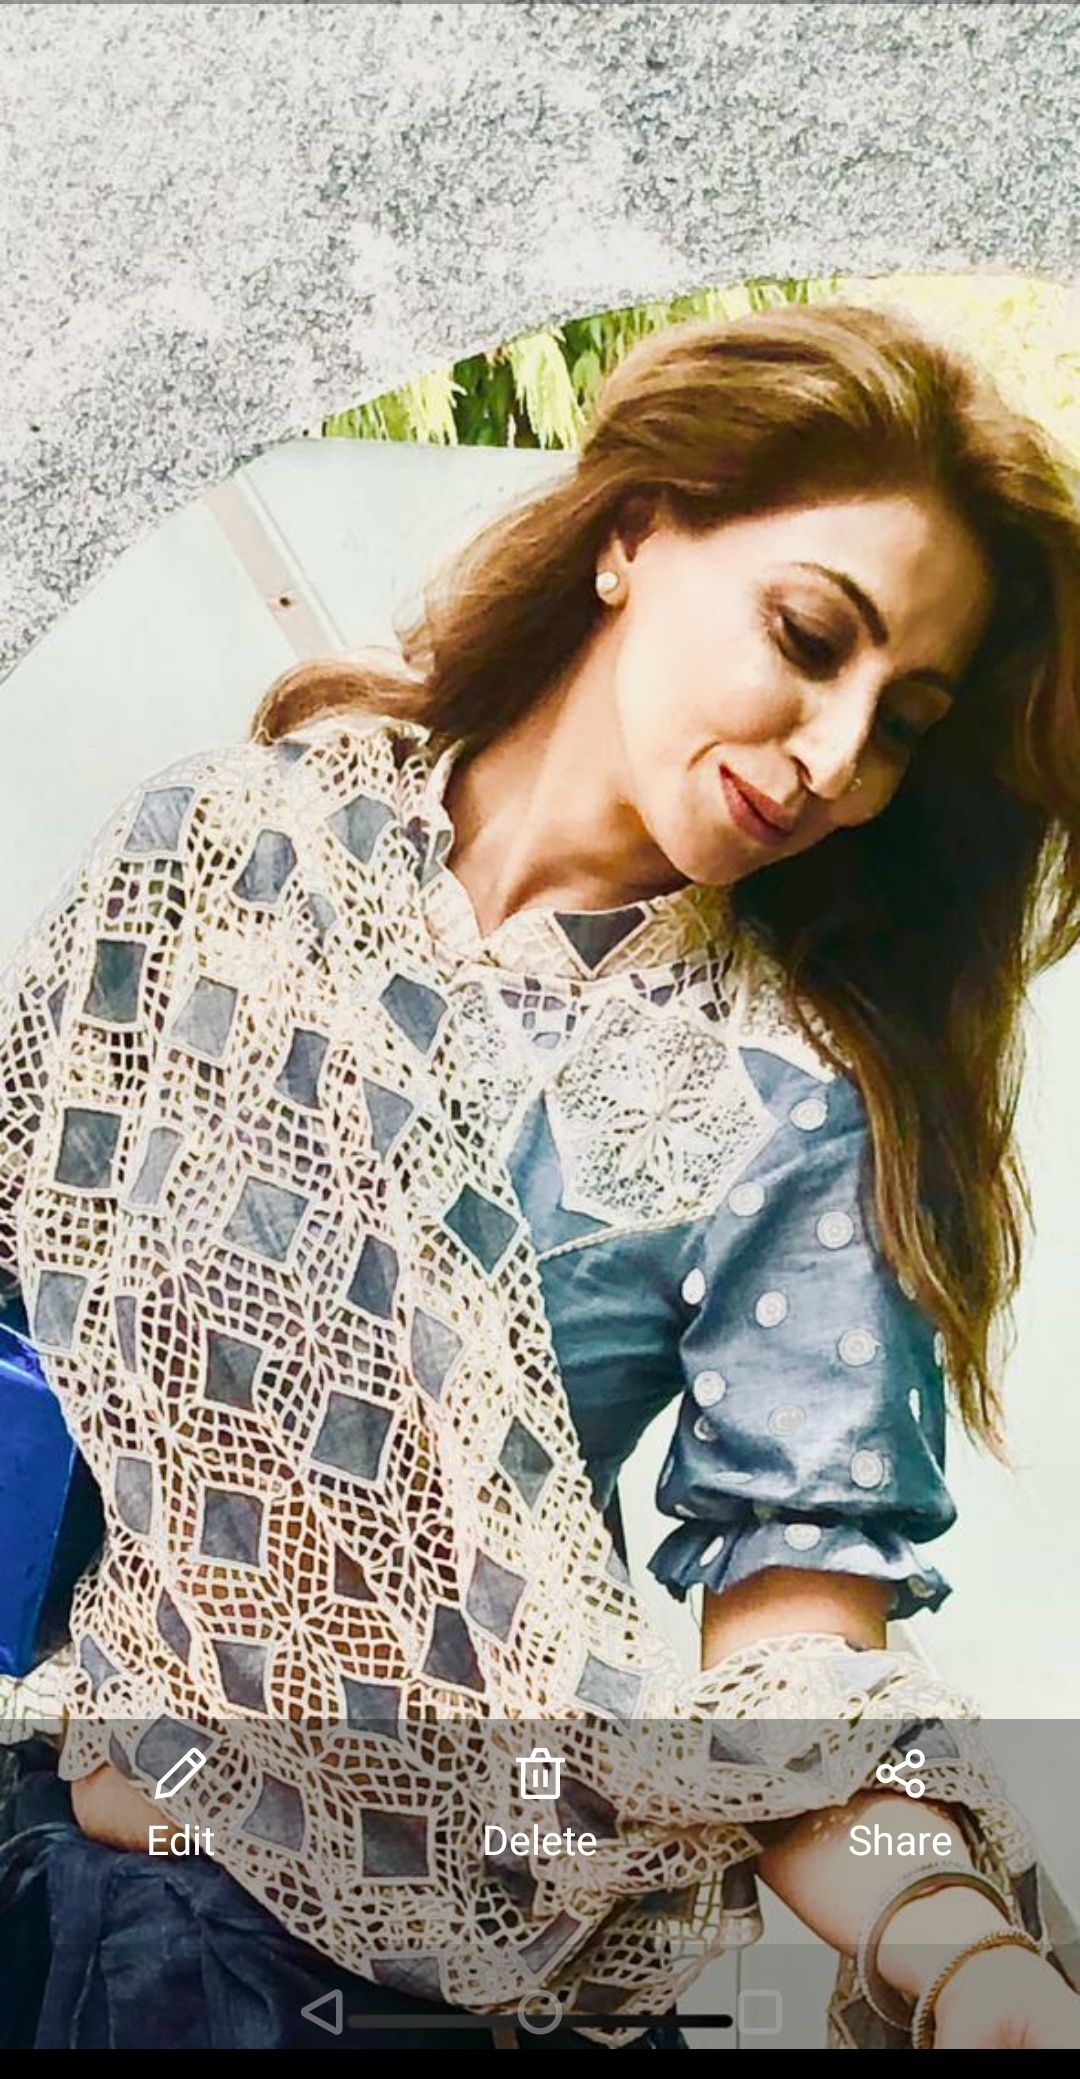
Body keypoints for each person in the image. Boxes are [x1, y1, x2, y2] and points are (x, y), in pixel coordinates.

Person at [2, 302, 1080, 2051]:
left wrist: (957, 1949)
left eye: (905, 723)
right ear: (635, 532)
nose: (835, 757)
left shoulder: (796, 1104)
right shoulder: (219, 856)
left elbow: (797, 1669)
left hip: (427, 1992)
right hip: (78, 1897)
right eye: (811, 639)